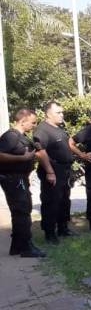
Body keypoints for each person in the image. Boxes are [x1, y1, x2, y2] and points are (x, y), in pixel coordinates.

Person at [0, 109, 51, 257]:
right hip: (13, 179)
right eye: (33, 122)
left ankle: (16, 246)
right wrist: (22, 159)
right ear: (23, 121)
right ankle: (26, 248)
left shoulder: (21, 137)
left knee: (21, 211)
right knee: (22, 212)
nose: (35, 125)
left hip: (20, 178)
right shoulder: (10, 136)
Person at [34, 101, 83, 244]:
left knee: (63, 201)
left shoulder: (59, 128)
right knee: (51, 202)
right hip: (53, 170)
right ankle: (50, 233)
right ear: (48, 114)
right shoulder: (42, 130)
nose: (62, 115)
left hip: (64, 170)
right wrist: (50, 172)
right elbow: (40, 152)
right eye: (58, 112)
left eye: (62, 112)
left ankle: (63, 228)